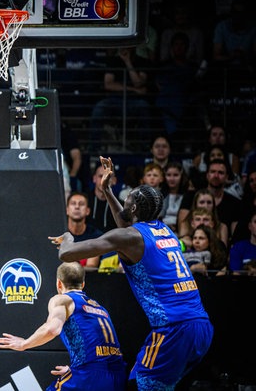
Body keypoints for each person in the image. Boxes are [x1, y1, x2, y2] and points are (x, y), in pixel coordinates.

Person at [50, 156, 214, 390]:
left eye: (128, 197)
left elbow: (66, 255)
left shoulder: (130, 237)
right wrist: (106, 190)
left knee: (138, 384)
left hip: (174, 329)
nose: (125, 197)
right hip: (200, 325)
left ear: (134, 207)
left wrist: (67, 237)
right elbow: (126, 227)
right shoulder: (163, 229)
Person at [0, 262, 127, 390]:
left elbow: (53, 328)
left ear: (59, 283)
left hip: (88, 373)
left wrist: (24, 344)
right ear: (83, 284)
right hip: (117, 375)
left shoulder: (63, 299)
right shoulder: (100, 308)